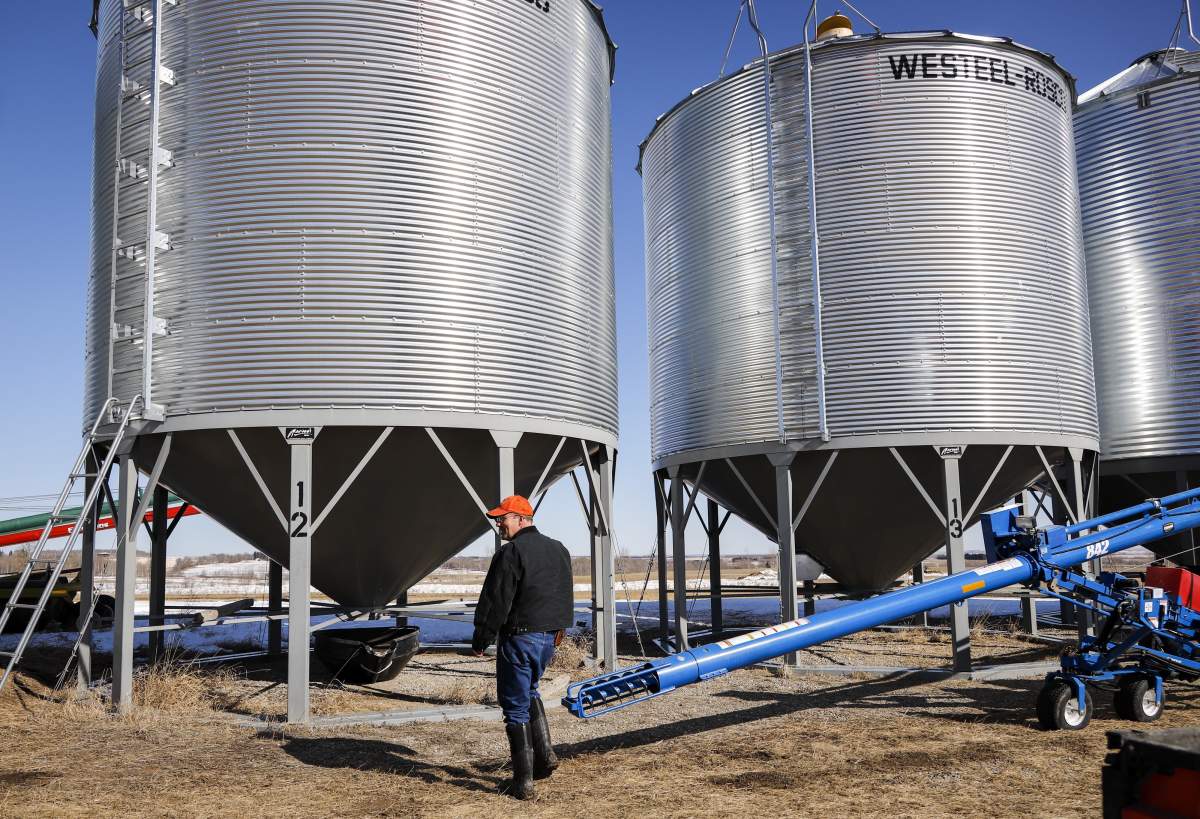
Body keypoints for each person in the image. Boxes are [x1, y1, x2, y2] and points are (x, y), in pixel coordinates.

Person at [471, 494, 574, 800]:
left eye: (503, 518)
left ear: (520, 518)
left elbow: (495, 601)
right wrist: (559, 631)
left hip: (519, 639)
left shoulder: (511, 552)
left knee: (514, 707)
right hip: (548, 639)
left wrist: (481, 638)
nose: (498, 523)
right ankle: (545, 758)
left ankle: (523, 783)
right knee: (530, 692)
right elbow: (564, 595)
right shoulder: (559, 549)